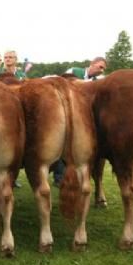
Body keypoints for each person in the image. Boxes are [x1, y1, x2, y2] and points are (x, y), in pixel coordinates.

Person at [51, 57, 108, 187]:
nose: (101, 70)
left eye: (103, 68)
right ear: (92, 64)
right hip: (67, 113)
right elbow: (59, 86)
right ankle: (59, 177)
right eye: (100, 67)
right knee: (61, 146)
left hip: (86, 117)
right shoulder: (73, 71)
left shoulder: (99, 80)